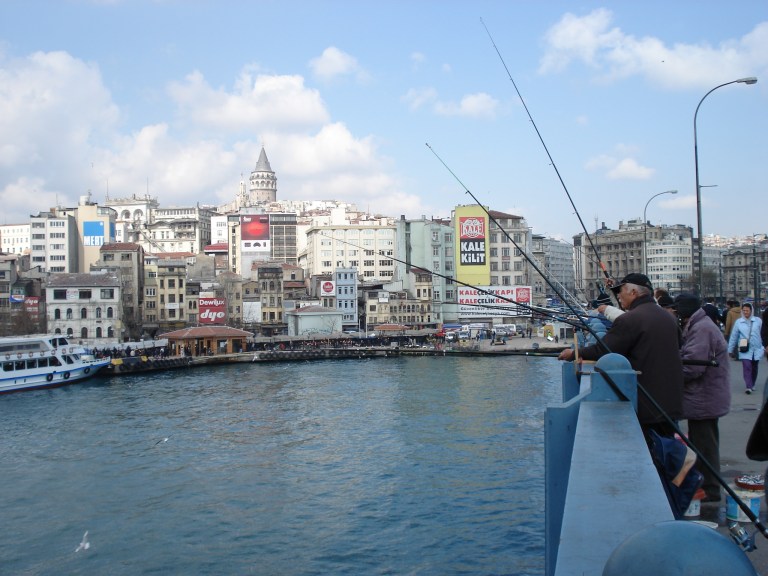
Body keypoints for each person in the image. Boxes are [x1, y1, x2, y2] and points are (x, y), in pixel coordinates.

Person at [559, 273, 683, 437]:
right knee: (667, 446)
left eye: (621, 291)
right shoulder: (668, 318)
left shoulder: (630, 320)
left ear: (633, 292)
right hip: (671, 402)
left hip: (647, 404)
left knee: (651, 448)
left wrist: (575, 353)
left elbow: (604, 349)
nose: (618, 295)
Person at [674, 293, 731, 502]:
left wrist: (669, 377)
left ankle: (710, 490)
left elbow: (693, 366)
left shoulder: (701, 329)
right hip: (705, 397)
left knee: (705, 446)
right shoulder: (701, 325)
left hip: (704, 398)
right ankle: (705, 486)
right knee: (703, 443)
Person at [728, 302, 764, 394]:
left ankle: (752, 383)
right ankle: (748, 386)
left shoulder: (758, 321)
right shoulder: (739, 322)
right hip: (745, 348)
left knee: (754, 367)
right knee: (747, 366)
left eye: (747, 310)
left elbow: (763, 333)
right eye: (743, 310)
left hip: (756, 348)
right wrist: (730, 349)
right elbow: (734, 336)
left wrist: (764, 345)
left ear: (751, 311)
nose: (745, 312)